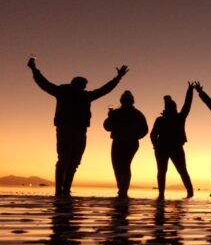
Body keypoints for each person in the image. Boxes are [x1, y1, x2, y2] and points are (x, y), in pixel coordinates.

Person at [28, 57, 129, 197]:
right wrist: (34, 69)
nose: (85, 87)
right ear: (78, 84)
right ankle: (61, 189)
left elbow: (44, 83)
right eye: (84, 84)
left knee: (72, 160)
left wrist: (118, 78)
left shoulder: (76, 94)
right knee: (65, 159)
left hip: (77, 130)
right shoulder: (69, 93)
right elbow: (44, 83)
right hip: (67, 130)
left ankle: (64, 189)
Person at [150, 83, 196, 199]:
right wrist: (156, 146)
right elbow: (153, 134)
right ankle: (163, 193)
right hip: (167, 148)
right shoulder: (173, 118)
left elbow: (187, 105)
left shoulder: (176, 118)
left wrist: (190, 90)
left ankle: (186, 192)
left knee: (170, 171)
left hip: (170, 148)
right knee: (173, 171)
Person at [103, 91, 149, 199]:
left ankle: (122, 190)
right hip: (125, 142)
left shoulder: (122, 113)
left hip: (125, 142)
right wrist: (110, 117)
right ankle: (122, 190)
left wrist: (134, 136)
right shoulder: (135, 113)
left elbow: (107, 127)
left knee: (121, 166)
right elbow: (107, 127)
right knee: (122, 166)